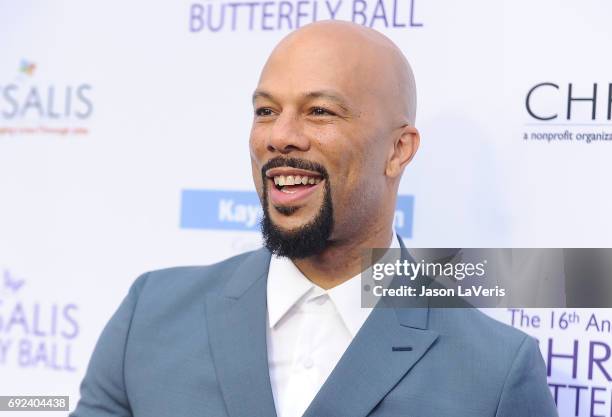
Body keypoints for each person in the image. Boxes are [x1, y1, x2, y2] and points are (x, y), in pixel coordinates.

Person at [70, 20, 558, 417]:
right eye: (265, 110)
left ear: (398, 149)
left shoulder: (494, 372)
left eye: (319, 111)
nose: (280, 136)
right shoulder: (150, 315)